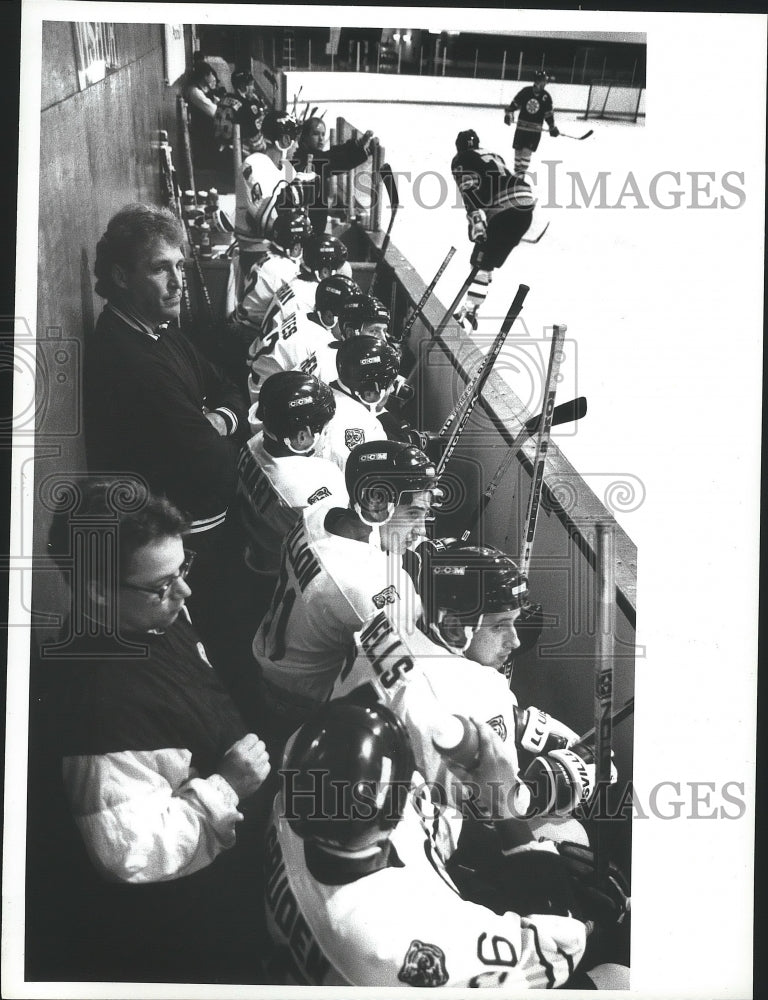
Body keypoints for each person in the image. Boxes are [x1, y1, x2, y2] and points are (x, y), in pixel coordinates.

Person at [27, 480, 271, 982]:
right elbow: (128, 853)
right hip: (190, 915)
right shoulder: (100, 710)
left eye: (183, 568)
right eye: (164, 582)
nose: (185, 591)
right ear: (97, 589)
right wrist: (228, 785)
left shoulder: (147, 612)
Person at [264, 700, 630, 988]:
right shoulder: (394, 941)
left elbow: (427, 824)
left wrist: (522, 837)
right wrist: (504, 802)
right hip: (386, 964)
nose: (414, 786)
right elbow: (560, 949)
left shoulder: (304, 797)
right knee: (620, 978)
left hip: (336, 957)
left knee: (561, 839)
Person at [332, 542, 596, 841]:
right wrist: (558, 780)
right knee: (572, 833)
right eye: (500, 627)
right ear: (454, 628)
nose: (515, 641)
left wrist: (519, 722)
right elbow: (495, 808)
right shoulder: (472, 692)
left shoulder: (395, 610)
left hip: (338, 771)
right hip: (386, 829)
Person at [84, 204, 249, 654]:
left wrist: (218, 419)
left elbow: (229, 387)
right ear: (121, 277)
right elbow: (216, 469)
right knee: (229, 648)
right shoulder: (134, 361)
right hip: (189, 546)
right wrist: (223, 425)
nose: (178, 283)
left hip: (199, 532)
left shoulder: (158, 328)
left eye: (180, 266)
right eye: (161, 269)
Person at [248, 440, 438, 743]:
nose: (422, 530)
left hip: (268, 662)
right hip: (301, 702)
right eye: (414, 513)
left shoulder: (319, 510)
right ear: (376, 501)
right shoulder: (373, 584)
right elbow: (415, 667)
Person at [237, 371, 346, 576]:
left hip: (256, 551)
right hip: (288, 572)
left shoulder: (253, 443)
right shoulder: (317, 485)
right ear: (302, 436)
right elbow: (341, 550)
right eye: (324, 428)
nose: (326, 432)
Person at [451, 129, 535, 333]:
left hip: (504, 210)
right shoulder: (493, 154)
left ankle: (468, 313)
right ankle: (472, 309)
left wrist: (476, 221)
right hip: (526, 206)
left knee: (480, 262)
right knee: (486, 263)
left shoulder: (461, 159)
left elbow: (468, 190)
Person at [246, 274, 363, 417]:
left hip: (258, 377)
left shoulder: (301, 314)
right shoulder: (317, 343)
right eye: (346, 318)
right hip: (262, 405)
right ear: (329, 316)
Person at [234, 109, 305, 277]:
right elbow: (263, 218)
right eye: (295, 140)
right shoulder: (254, 164)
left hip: (281, 250)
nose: (297, 146)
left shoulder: (289, 169)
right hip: (256, 251)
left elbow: (294, 214)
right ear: (285, 140)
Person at [315, 334, 401, 473]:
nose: (392, 389)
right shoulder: (365, 427)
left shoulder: (324, 391)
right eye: (390, 384)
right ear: (368, 393)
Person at [231, 208, 312, 343]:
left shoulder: (269, 258)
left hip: (243, 323)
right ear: (296, 247)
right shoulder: (284, 269)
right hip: (250, 333)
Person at [292, 115, 376, 234]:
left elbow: (332, 153)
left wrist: (358, 144)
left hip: (310, 223)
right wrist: (364, 151)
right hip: (309, 226)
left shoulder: (306, 155)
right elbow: (336, 161)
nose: (321, 139)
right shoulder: (307, 159)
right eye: (316, 134)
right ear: (305, 137)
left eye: (323, 134)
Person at [503, 69, 560, 178]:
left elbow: (548, 114)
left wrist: (552, 126)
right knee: (518, 151)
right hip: (521, 128)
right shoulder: (525, 92)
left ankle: (521, 175)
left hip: (534, 131)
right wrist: (508, 115)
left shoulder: (546, 97)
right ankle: (517, 174)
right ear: (538, 81)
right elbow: (513, 106)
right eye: (543, 81)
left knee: (526, 151)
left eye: (545, 81)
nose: (545, 83)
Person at [215, 69, 266, 156]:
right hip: (239, 155)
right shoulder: (248, 106)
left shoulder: (222, 100)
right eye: (251, 85)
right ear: (243, 87)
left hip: (221, 151)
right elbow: (257, 145)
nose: (253, 88)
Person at [184, 60, 222, 171]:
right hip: (201, 130)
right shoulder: (194, 92)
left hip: (207, 126)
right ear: (204, 76)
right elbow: (213, 111)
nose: (213, 77)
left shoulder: (205, 89)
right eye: (210, 74)